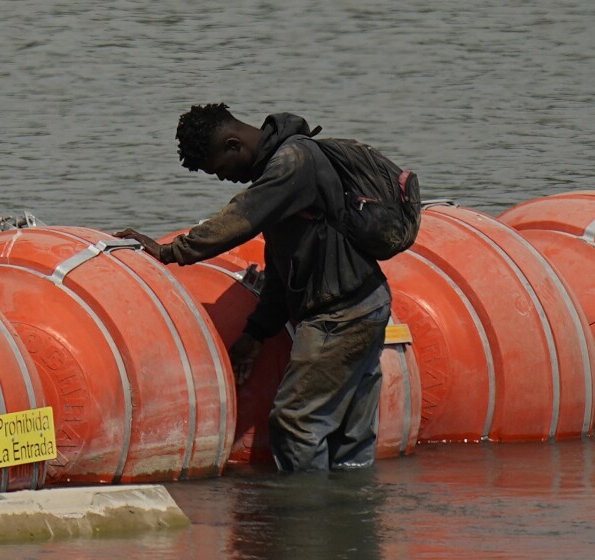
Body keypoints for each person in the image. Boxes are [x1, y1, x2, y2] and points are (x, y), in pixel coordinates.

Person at [117, 104, 392, 473]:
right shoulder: (290, 170)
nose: (223, 179)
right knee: (349, 435)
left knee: (296, 424)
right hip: (365, 302)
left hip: (339, 315)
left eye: (220, 169)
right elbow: (283, 270)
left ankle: (307, 521)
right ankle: (350, 519)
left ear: (234, 145)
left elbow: (240, 218)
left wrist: (170, 251)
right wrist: (257, 333)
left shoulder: (292, 162)